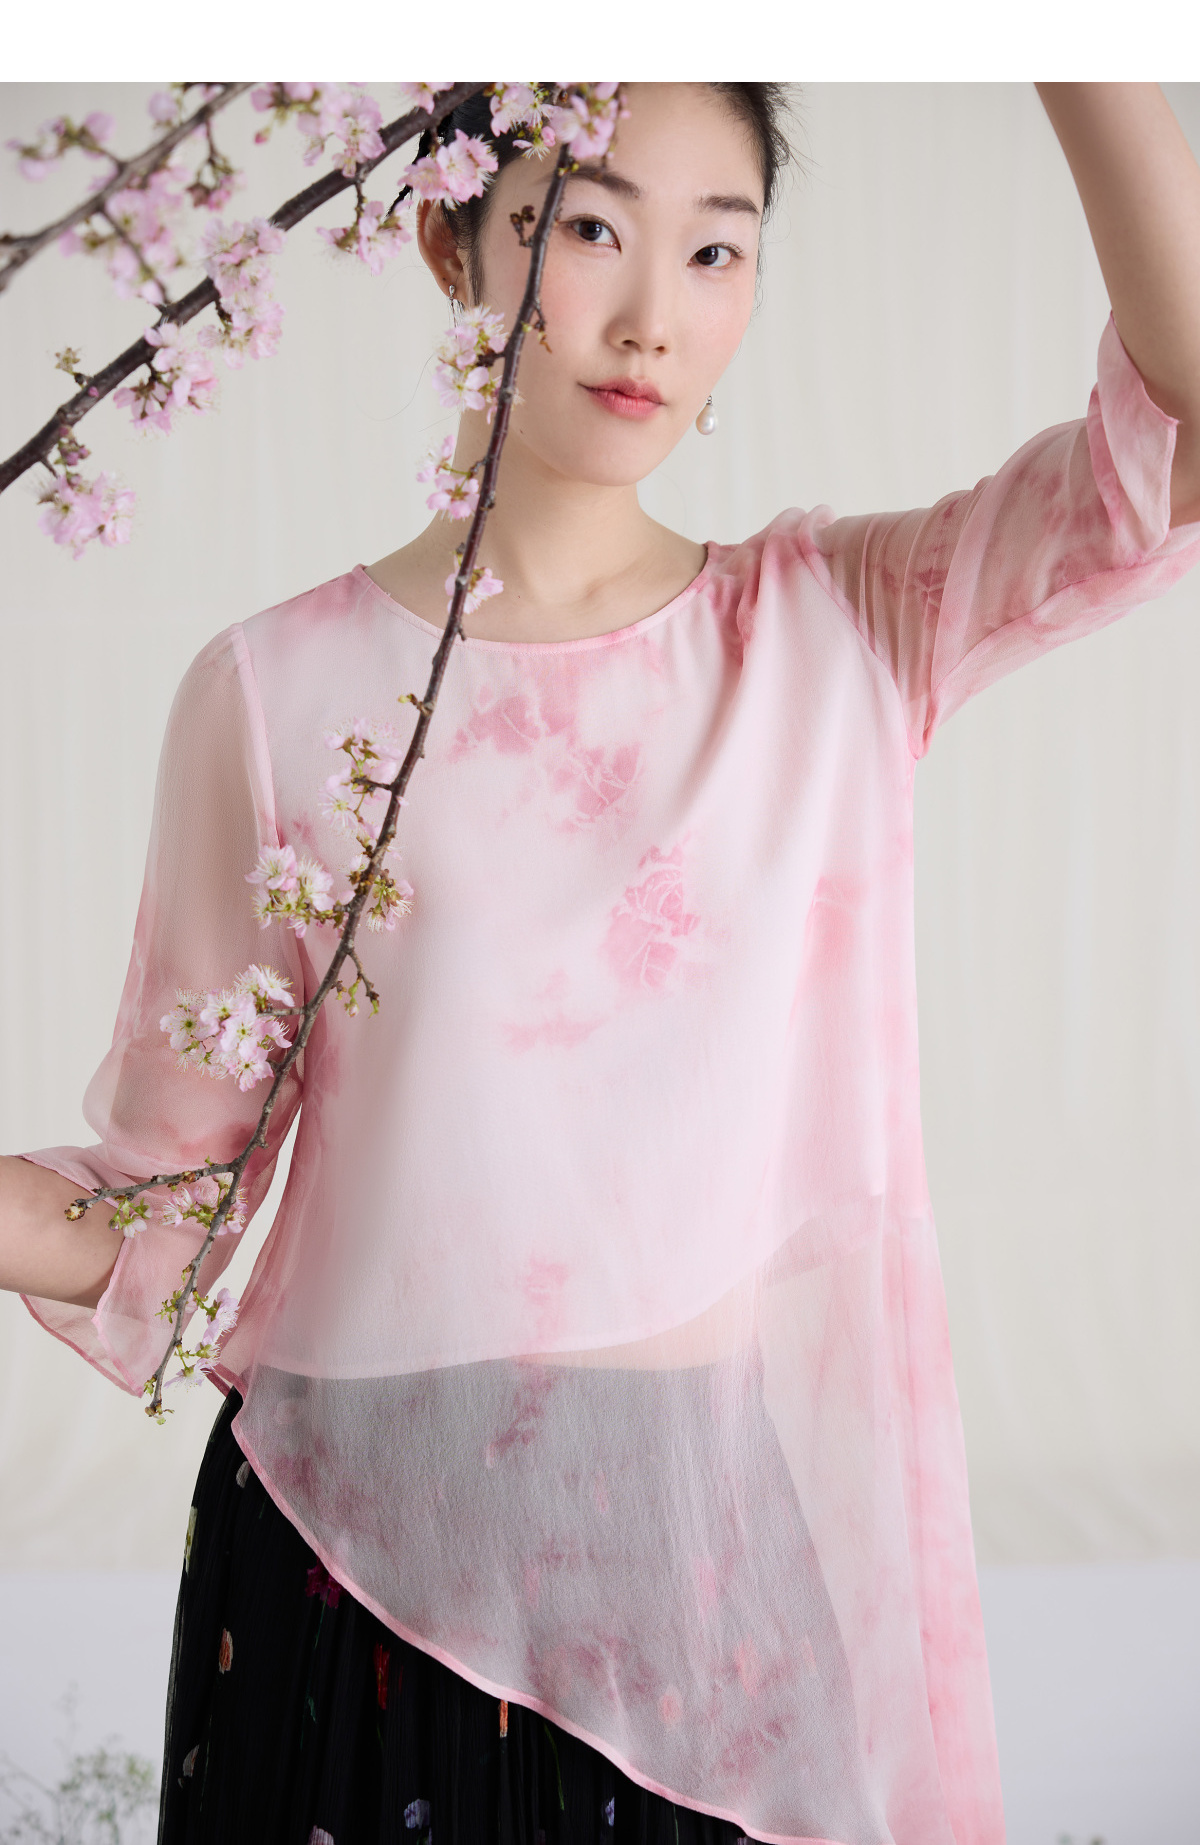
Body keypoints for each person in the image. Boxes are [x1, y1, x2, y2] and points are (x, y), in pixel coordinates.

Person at [3, 80, 1200, 1845]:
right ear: (451, 241)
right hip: (349, 1565)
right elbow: (160, 1218)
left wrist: (1080, 53)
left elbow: (1174, 436)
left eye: (718, 251)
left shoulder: (841, 630)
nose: (653, 316)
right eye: (589, 228)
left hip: (699, 1565)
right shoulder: (273, 693)